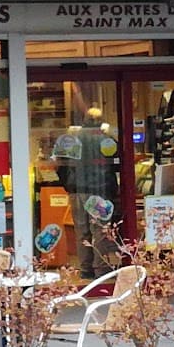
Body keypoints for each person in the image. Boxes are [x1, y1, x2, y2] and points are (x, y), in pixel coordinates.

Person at [56, 106, 119, 279]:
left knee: (81, 230)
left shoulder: (71, 139)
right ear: (100, 121)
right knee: (100, 230)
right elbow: (117, 161)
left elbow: (61, 165)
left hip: (77, 191)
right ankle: (101, 269)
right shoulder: (105, 139)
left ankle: (85, 269)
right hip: (100, 190)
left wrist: (69, 185)